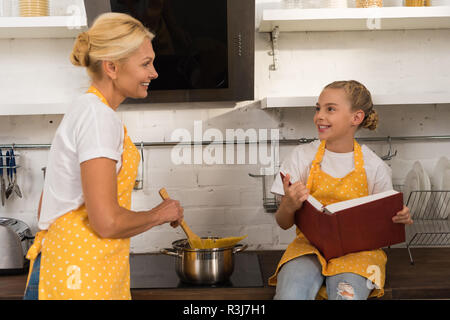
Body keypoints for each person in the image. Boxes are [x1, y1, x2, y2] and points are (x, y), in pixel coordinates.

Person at [23, 12, 184, 300]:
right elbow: (106, 222)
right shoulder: (98, 117)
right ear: (112, 67)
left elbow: (44, 206)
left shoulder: (86, 109)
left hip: (72, 270)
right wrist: (159, 214)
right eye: (146, 63)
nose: (154, 73)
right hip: (78, 278)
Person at [269, 80, 413, 300]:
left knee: (347, 296)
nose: (320, 116)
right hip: (308, 250)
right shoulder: (301, 157)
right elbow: (283, 222)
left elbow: (384, 230)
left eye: (330, 109)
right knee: (290, 294)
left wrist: (398, 217)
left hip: (360, 255)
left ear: (356, 118)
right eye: (318, 108)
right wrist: (289, 205)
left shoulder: (374, 166)